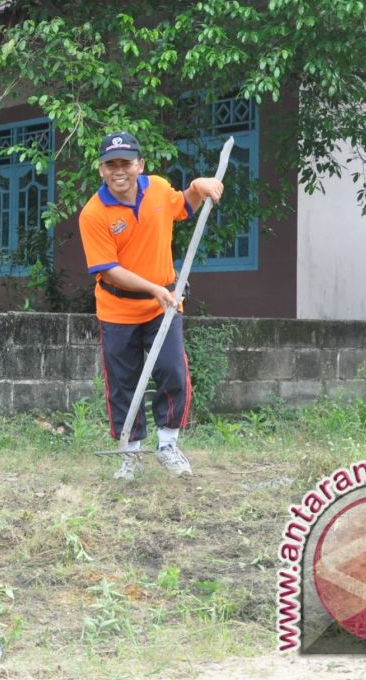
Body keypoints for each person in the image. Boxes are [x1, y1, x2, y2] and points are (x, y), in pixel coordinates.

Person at [78, 132, 224, 481]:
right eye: (111, 164)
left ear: (139, 165)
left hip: (164, 306)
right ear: (101, 170)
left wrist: (198, 185)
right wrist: (153, 288)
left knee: (172, 371)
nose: (119, 171)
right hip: (117, 310)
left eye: (125, 163)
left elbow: (183, 206)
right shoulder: (94, 214)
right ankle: (129, 454)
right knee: (123, 383)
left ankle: (168, 445)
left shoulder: (157, 189)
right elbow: (109, 270)